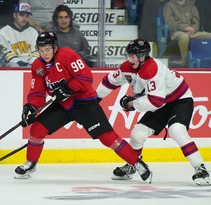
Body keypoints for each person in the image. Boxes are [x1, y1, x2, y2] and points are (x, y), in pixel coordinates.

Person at [14, 31, 152, 182]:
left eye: (47, 49)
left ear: (54, 48)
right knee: (37, 129)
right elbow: (37, 92)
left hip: (84, 102)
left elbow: (85, 77)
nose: (44, 53)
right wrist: (31, 107)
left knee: (107, 138)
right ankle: (31, 163)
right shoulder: (37, 66)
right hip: (62, 104)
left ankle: (136, 163)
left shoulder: (67, 55)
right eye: (41, 50)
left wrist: (67, 88)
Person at [96, 38, 210, 186]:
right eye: (128, 55)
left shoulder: (152, 69)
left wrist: (131, 104)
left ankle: (201, 169)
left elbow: (155, 101)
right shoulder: (128, 67)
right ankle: (132, 164)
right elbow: (110, 81)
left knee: (176, 130)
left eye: (133, 55)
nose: (129, 58)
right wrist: (94, 99)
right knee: (137, 134)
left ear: (142, 56)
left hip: (179, 100)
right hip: (161, 103)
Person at [163, 0, 211, 67]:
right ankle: (184, 61)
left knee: (209, 36)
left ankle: (207, 60)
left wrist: (194, 29)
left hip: (192, 32)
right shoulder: (169, 5)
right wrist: (185, 28)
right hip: (176, 32)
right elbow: (170, 23)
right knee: (184, 37)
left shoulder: (192, 6)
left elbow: (196, 22)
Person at [0, 3, 39, 68]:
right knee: (14, 66)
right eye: (21, 15)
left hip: (29, 63)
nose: (24, 18)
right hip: (11, 63)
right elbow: (6, 52)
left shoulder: (33, 32)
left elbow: (36, 52)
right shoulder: (4, 31)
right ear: (14, 15)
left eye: (27, 16)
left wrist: (29, 63)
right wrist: (19, 62)